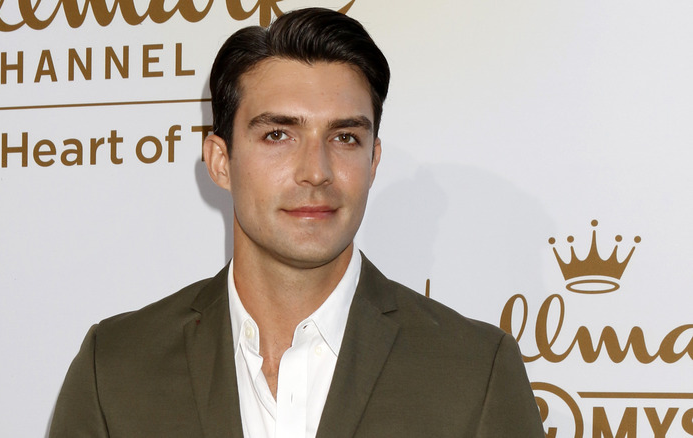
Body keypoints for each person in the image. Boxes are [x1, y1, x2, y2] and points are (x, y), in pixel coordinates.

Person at [49, 8, 544, 438]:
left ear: (373, 162)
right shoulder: (114, 369)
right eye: (279, 135)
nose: (316, 172)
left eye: (345, 138)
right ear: (221, 161)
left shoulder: (474, 372)